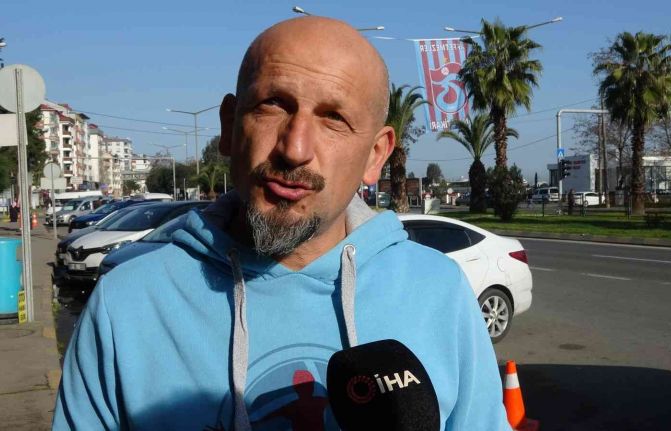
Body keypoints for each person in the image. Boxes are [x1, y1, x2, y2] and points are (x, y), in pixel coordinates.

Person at [54, 17, 509, 431]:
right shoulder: (127, 305)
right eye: (273, 104)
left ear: (376, 155)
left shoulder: (438, 291)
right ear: (230, 125)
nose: (294, 149)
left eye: (334, 119)